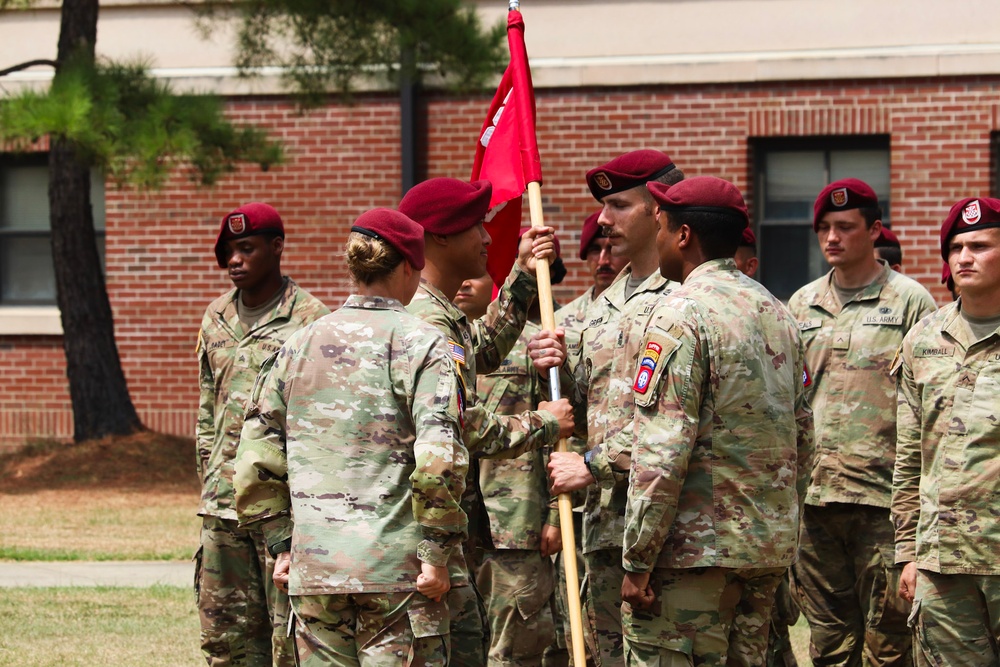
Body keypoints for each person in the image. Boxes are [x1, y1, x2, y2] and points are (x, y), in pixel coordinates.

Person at [232, 208, 468, 667]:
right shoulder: (423, 344)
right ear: (408, 266)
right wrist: (436, 553)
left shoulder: (298, 344)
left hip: (316, 567)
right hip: (398, 574)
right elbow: (438, 458)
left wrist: (281, 543)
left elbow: (254, 456)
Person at [619, 176, 813, 666]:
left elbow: (661, 452)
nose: (657, 236)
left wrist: (638, 559)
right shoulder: (778, 312)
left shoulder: (680, 313)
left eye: (661, 225)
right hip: (763, 551)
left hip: (692, 557)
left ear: (683, 236)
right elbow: (805, 436)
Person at [399, 177, 575, 667]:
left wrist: (521, 273)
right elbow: (461, 425)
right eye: (475, 225)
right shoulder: (426, 322)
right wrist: (542, 423)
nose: (487, 236)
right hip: (419, 532)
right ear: (439, 237)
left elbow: (483, 353)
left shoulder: (440, 315)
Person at [541, 149, 683, 667]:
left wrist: (594, 465)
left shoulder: (689, 296)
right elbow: (582, 411)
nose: (603, 219)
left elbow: (680, 420)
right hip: (606, 525)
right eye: (604, 206)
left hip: (674, 529)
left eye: (620, 205)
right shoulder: (599, 308)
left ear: (658, 209)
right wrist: (553, 368)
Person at [788, 178, 936, 667]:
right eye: (824, 228)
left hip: (884, 502)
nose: (832, 237)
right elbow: (790, 399)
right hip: (816, 500)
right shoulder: (801, 304)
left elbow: (930, 399)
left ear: (874, 230)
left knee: (889, 644)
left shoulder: (911, 301)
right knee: (829, 644)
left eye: (845, 227)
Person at [195, 202, 329, 667]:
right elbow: (207, 414)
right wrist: (210, 481)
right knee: (225, 635)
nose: (235, 260)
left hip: (283, 507)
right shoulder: (215, 319)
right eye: (229, 250)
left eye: (246, 248)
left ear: (276, 248)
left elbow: (322, 422)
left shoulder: (311, 320)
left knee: (289, 638)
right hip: (221, 507)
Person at [892, 196, 1000, 666]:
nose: (963, 257)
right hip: (943, 561)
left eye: (979, 245)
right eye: (955, 247)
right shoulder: (923, 338)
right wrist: (907, 552)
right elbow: (910, 455)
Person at [454, 231, 566, 667]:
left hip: (514, 524)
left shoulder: (534, 344)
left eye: (478, 276)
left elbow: (560, 431)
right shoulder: (440, 345)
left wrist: (555, 514)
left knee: (515, 649)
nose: (465, 284)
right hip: (459, 525)